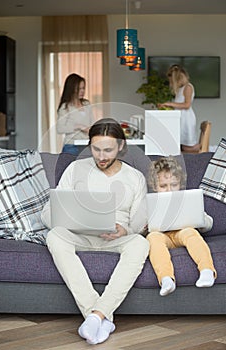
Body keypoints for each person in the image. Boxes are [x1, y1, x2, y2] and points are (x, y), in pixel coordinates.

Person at [41, 118, 149, 345]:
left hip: (116, 239)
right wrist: (68, 220)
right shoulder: (75, 169)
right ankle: (99, 316)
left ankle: (96, 316)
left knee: (140, 244)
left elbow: (140, 220)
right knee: (54, 236)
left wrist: (125, 229)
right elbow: (48, 211)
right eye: (96, 149)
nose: (101, 156)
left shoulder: (134, 177)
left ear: (121, 146)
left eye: (108, 150)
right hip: (79, 234)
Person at [146, 156, 217, 297]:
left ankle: (207, 271)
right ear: (155, 186)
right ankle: (166, 279)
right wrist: (144, 226)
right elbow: (138, 228)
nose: (169, 190)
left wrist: (200, 220)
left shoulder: (186, 200)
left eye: (173, 185)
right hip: (162, 236)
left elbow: (209, 223)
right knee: (152, 237)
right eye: (163, 186)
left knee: (190, 232)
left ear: (180, 184)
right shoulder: (149, 203)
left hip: (182, 233)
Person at [159, 65, 200, 153]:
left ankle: (202, 147)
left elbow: (187, 105)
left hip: (186, 119)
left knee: (188, 145)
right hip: (180, 118)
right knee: (180, 143)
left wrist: (170, 103)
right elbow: (179, 104)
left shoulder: (188, 87)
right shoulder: (180, 89)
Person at [56, 73, 94, 156]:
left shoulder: (87, 104)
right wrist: (78, 126)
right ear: (72, 89)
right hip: (71, 146)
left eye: (83, 88)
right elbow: (60, 128)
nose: (82, 91)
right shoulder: (65, 107)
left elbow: (91, 124)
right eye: (79, 89)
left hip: (86, 145)